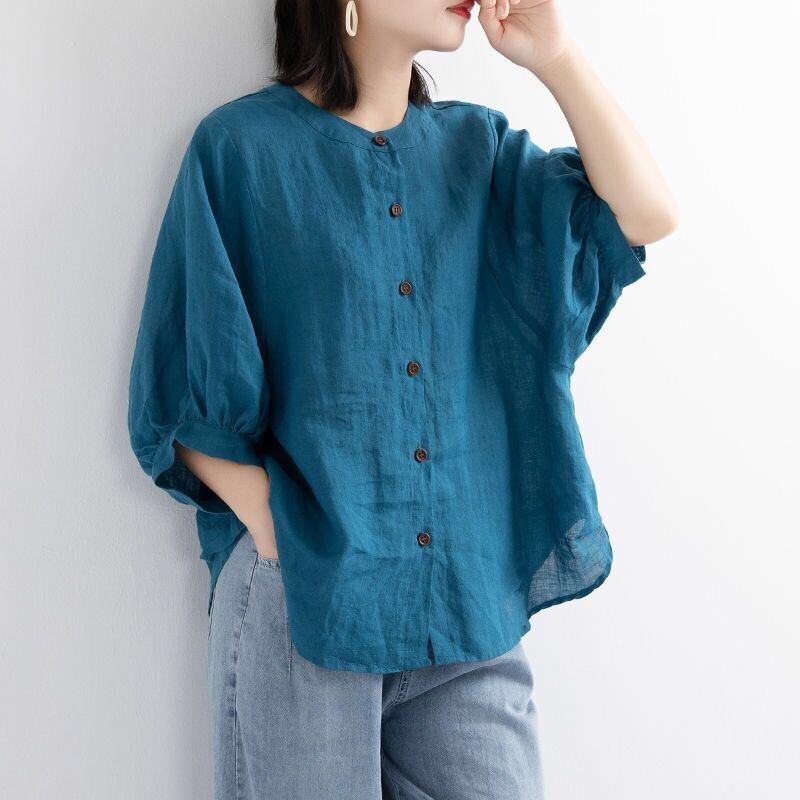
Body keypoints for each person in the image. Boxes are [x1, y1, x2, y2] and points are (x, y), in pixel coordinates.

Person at [127, 0, 678, 797]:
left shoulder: (480, 151)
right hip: (310, 601)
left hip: (468, 608)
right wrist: (274, 525)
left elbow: (645, 214)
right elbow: (180, 387)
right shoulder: (241, 150)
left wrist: (555, 55)